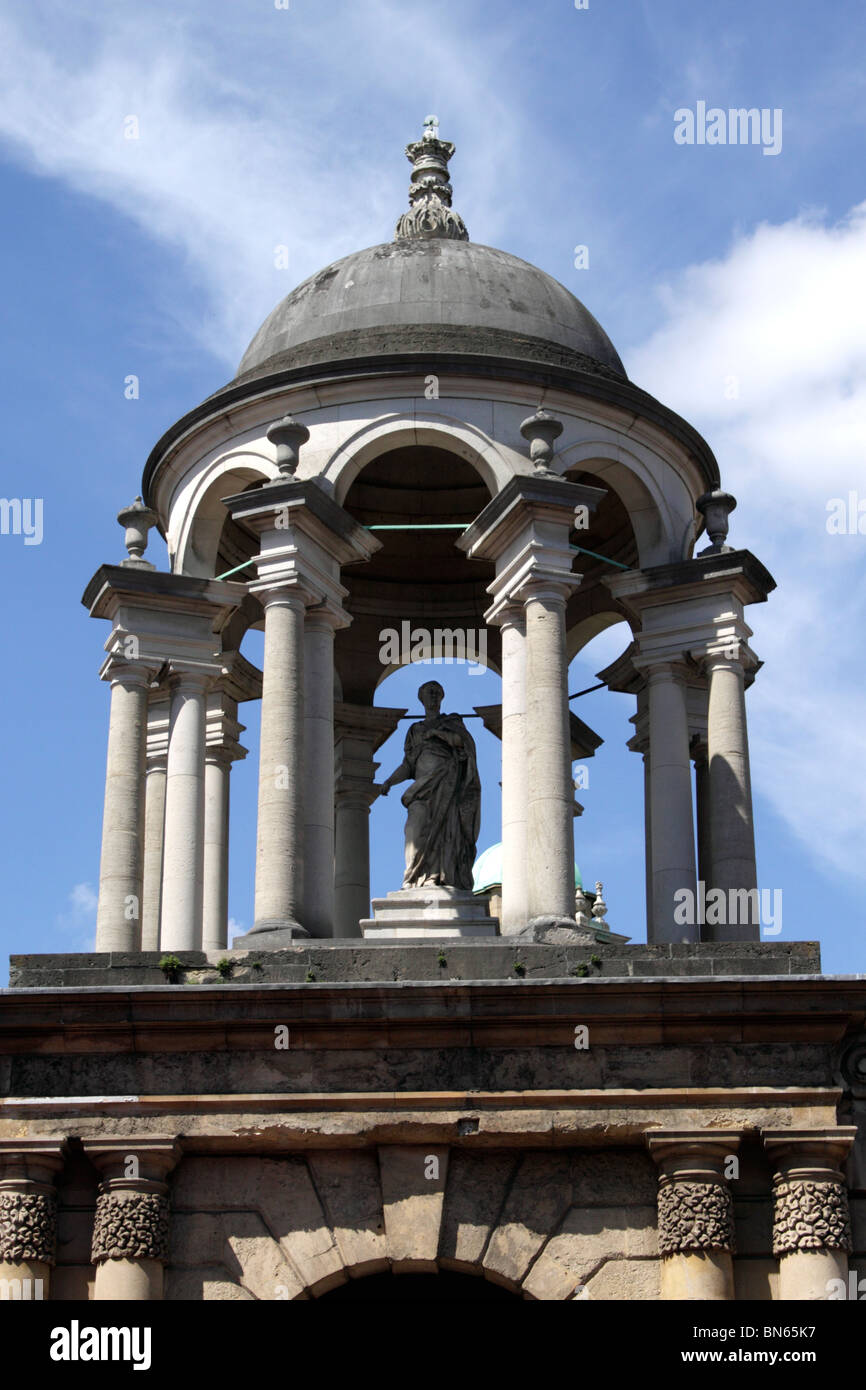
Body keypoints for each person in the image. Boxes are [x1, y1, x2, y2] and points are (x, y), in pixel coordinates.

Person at [378, 680, 480, 889]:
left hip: (448, 786)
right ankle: (413, 877)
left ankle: (438, 877)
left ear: (442, 697)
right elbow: (408, 764)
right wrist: (389, 781)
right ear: (421, 698)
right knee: (414, 830)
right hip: (421, 790)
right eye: (429, 693)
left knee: (447, 833)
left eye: (437, 693)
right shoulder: (415, 730)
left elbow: (464, 744)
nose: (433, 696)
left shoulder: (452, 722)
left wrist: (438, 734)